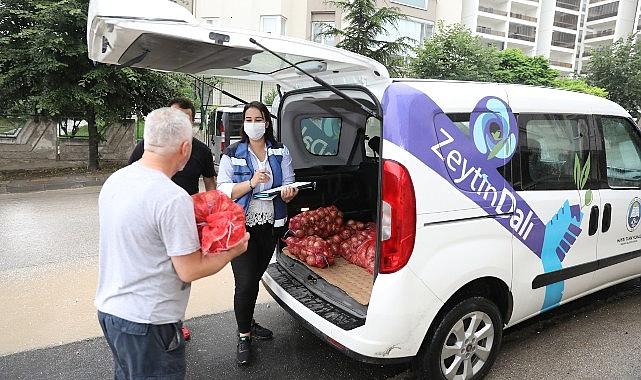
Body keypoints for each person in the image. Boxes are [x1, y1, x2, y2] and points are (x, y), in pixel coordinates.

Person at [96, 107, 249, 380]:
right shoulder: (171, 197)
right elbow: (189, 269)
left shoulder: (116, 180)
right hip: (149, 322)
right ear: (185, 148)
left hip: (112, 312)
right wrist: (235, 248)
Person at [217, 101, 299, 366]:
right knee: (245, 283)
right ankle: (244, 337)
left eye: (258, 118)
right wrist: (251, 183)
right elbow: (223, 190)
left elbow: (288, 183)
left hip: (270, 225)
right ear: (244, 123)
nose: (254, 124)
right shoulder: (233, 152)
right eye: (249, 119)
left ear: (267, 122)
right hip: (241, 227)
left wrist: (289, 193)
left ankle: (248, 322)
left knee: (255, 276)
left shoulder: (279, 150)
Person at [129, 97, 217, 195]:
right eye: (175, 118)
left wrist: (212, 205)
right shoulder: (150, 144)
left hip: (189, 203)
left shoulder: (203, 151)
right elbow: (131, 174)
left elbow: (210, 184)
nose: (179, 124)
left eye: (184, 119)